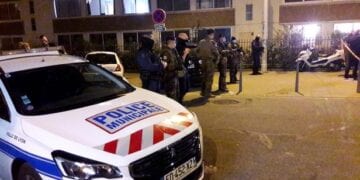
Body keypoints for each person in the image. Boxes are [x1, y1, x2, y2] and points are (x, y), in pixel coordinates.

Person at [196, 29, 220, 98]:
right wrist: (216, 62)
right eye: (213, 34)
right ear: (211, 34)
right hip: (210, 63)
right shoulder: (211, 42)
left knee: (204, 77)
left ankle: (203, 92)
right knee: (209, 79)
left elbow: (197, 51)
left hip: (202, 62)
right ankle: (208, 93)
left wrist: (200, 58)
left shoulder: (201, 42)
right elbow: (216, 53)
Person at [161, 36, 183, 102]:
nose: (175, 43)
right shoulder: (166, 52)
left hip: (174, 75)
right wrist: (175, 67)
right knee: (171, 94)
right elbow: (164, 65)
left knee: (176, 93)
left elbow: (178, 60)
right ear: (170, 42)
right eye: (174, 42)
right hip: (169, 76)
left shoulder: (173, 50)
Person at [176, 33, 191, 103]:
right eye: (185, 39)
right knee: (182, 87)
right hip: (180, 70)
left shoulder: (184, 46)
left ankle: (180, 99)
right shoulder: (178, 48)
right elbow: (180, 61)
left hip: (185, 68)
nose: (187, 40)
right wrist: (185, 53)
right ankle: (179, 101)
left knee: (186, 87)